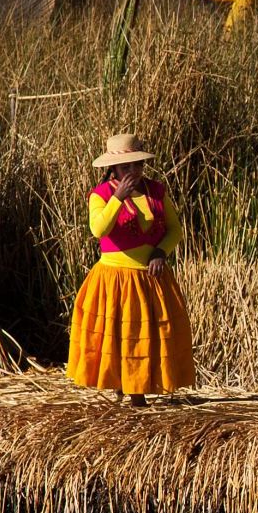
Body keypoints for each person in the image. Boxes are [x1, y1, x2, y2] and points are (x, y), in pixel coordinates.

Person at [67, 132, 197, 406]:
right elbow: (98, 229)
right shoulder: (99, 195)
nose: (134, 171)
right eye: (127, 167)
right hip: (115, 278)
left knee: (142, 336)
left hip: (150, 277)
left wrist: (161, 252)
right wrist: (117, 198)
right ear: (112, 169)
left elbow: (175, 229)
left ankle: (138, 392)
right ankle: (124, 387)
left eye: (138, 165)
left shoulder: (156, 191)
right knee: (119, 336)